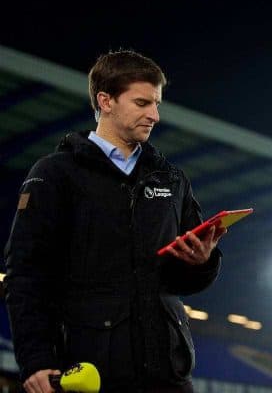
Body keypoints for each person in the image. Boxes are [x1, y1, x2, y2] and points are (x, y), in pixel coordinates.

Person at [3, 49, 227, 392]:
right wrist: (36, 359)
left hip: (168, 374)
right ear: (105, 101)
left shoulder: (171, 179)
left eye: (156, 104)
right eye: (142, 103)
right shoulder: (54, 174)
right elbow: (26, 273)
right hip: (90, 371)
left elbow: (184, 282)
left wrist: (202, 262)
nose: (154, 115)